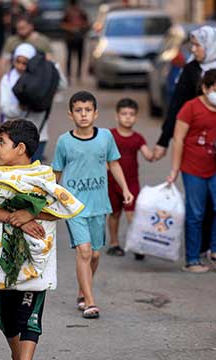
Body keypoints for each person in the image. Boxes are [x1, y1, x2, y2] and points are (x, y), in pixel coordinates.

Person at [0, 119, 84, 360]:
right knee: (6, 320)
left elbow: (61, 208)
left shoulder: (43, 178)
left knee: (29, 318)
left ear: (20, 148)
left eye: (1, 143)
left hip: (36, 260)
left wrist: (32, 213)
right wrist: (15, 218)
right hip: (3, 257)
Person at [153, 25, 216, 255]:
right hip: (198, 143)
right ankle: (202, 246)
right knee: (202, 201)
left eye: (198, 45)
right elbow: (177, 108)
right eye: (194, 45)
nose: (194, 49)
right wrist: (163, 140)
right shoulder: (192, 69)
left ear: (212, 45)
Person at [52, 91, 133, 319]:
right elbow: (56, 173)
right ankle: (90, 301)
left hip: (99, 205)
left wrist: (125, 189)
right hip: (74, 206)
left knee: (95, 255)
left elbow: (114, 164)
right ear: (71, 114)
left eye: (88, 110)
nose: (83, 114)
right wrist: (47, 201)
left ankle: (82, 290)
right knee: (84, 251)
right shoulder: (64, 141)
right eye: (78, 110)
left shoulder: (106, 137)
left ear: (96, 113)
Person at [167, 69, 216, 273]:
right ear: (205, 88)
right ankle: (192, 258)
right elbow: (178, 139)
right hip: (193, 167)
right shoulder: (190, 108)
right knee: (195, 213)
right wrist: (175, 169)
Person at [106, 98, 153, 258]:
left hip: (132, 183)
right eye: (124, 113)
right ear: (117, 116)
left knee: (133, 214)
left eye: (131, 114)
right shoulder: (110, 135)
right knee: (114, 214)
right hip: (112, 182)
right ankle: (114, 243)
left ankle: (138, 245)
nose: (128, 117)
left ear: (136, 117)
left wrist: (159, 151)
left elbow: (148, 155)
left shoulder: (138, 138)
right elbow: (102, 154)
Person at [0, 43, 60, 161]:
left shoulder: (44, 78)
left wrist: (52, 66)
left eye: (25, 63)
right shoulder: (7, 80)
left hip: (38, 135)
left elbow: (61, 84)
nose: (21, 66)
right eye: (18, 62)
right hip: (13, 139)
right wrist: (20, 107)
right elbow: (5, 109)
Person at [0, 15, 53, 92]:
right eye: (18, 28)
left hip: (37, 80)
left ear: (31, 26)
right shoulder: (11, 41)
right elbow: (3, 62)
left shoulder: (41, 41)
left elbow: (50, 61)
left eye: (23, 28)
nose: (20, 31)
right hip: (17, 80)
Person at [61, 0, 89, 83]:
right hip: (70, 39)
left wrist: (80, 27)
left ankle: (78, 76)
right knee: (69, 57)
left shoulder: (82, 13)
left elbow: (87, 24)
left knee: (79, 58)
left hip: (79, 38)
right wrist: (71, 28)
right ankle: (69, 76)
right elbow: (62, 24)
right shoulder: (67, 13)